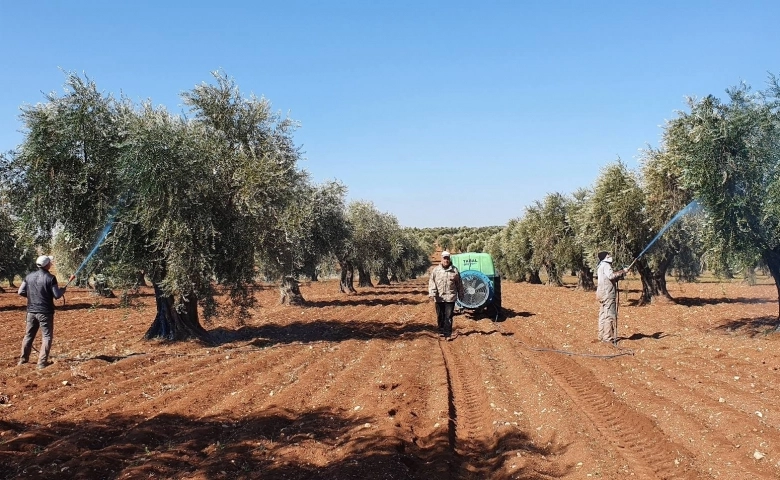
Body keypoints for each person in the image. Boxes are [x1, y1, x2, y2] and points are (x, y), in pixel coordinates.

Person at [18, 255, 74, 369]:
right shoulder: (50, 278)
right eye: (50, 262)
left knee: (28, 335)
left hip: (31, 312)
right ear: (47, 265)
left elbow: (20, 291)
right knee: (47, 336)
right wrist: (64, 289)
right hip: (45, 312)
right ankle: (41, 363)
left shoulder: (29, 277)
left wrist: (31, 297)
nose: (51, 264)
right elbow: (57, 295)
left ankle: (23, 360)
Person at [428, 251, 464, 340]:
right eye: (444, 258)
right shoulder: (436, 270)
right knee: (440, 315)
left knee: (449, 316)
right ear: (441, 259)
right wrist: (432, 293)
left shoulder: (454, 270)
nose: (446, 260)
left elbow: (459, 283)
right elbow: (432, 282)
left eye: (447, 258)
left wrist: (461, 294)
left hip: (450, 297)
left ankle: (447, 334)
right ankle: (441, 331)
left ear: (449, 259)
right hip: (439, 297)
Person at [596, 251, 628, 344]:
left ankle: (601, 336)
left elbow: (609, 278)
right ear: (605, 257)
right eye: (608, 255)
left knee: (602, 315)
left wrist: (620, 274)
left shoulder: (600, 266)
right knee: (609, 315)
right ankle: (607, 338)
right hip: (608, 294)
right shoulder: (606, 265)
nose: (610, 256)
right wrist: (623, 271)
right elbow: (611, 276)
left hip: (601, 293)